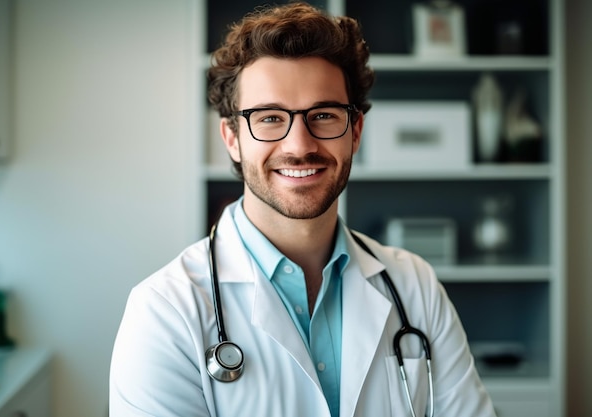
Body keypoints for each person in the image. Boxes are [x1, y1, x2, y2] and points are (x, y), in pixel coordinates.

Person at [109, 3, 496, 417]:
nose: (300, 146)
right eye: (270, 117)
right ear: (232, 137)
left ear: (356, 132)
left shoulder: (414, 286)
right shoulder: (165, 311)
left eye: (324, 115)